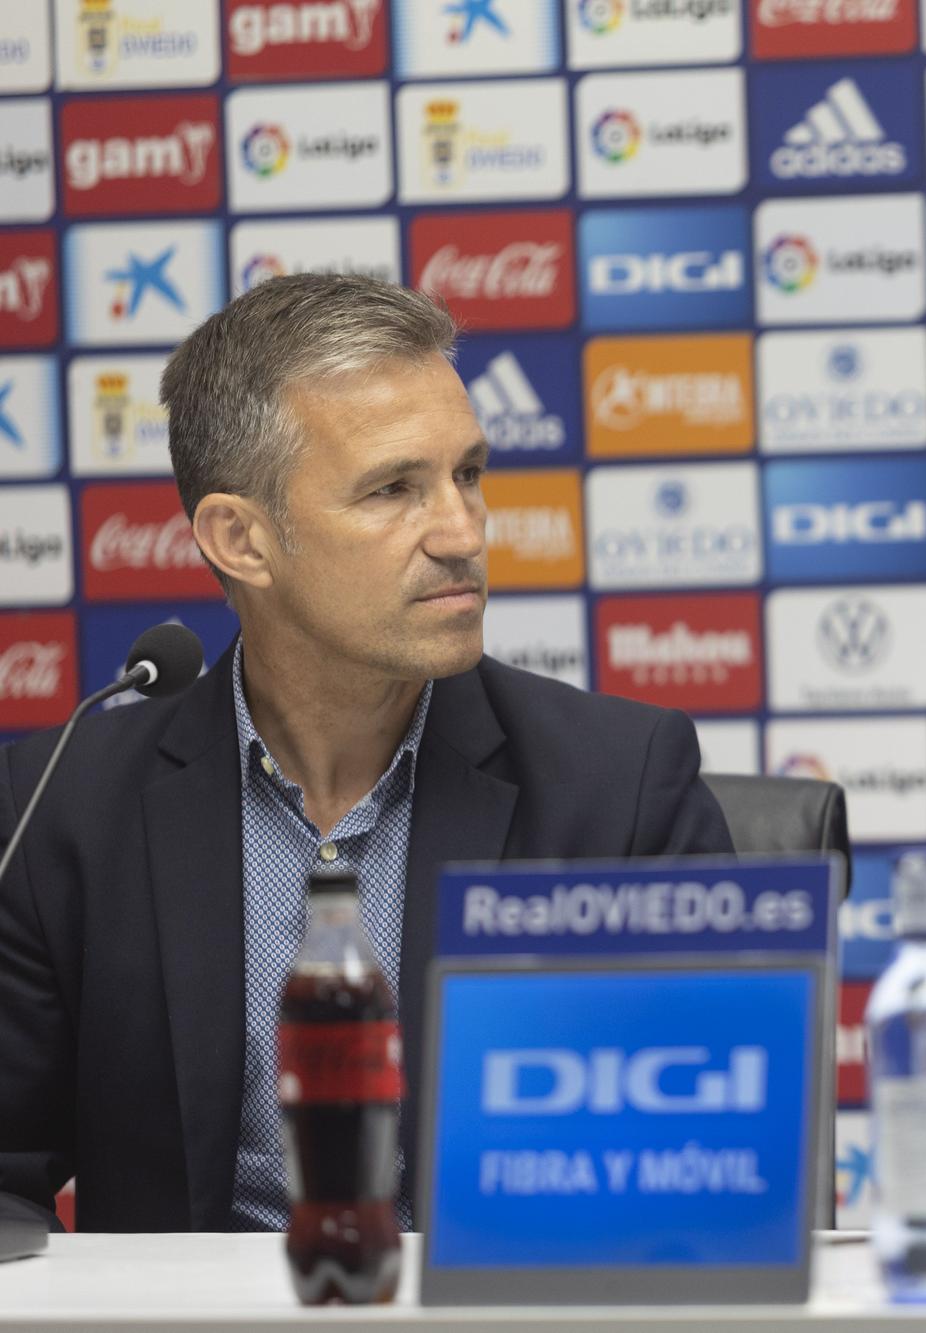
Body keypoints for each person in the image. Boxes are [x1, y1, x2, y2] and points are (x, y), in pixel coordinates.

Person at [0, 275, 732, 1233]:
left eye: (467, 474)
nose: (464, 532)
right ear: (241, 539)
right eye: (395, 489)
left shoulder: (621, 788)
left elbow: (711, 1167)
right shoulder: (63, 808)